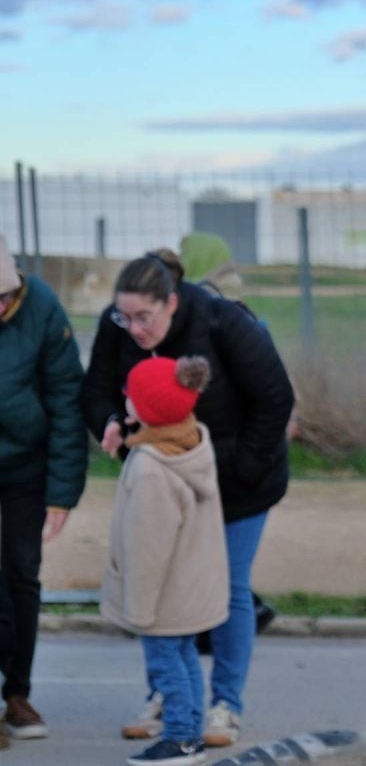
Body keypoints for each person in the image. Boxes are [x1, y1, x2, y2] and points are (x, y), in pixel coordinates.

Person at [81, 249, 294, 747]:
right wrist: (111, 423)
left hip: (238, 483)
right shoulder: (119, 331)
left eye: (144, 317)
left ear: (172, 303)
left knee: (230, 590)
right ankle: (167, 695)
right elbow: (95, 391)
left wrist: (239, 471)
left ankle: (225, 705)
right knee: (161, 588)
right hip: (163, 480)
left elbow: (275, 400)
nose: (133, 328)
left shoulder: (222, 322)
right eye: (123, 316)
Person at [102, 356, 229, 766]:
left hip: (162, 595)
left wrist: (139, 608)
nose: (125, 397)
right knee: (184, 656)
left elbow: (147, 549)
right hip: (186, 590)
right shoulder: (189, 445)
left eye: (132, 394)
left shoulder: (151, 470)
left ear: (150, 410)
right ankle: (190, 733)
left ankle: (178, 738)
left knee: (165, 662)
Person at [0, 233, 87, 742]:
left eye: (3, 298)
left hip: (27, 471)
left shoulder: (44, 310)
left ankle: (19, 694)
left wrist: (62, 492)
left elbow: (66, 403)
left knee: (21, 574)